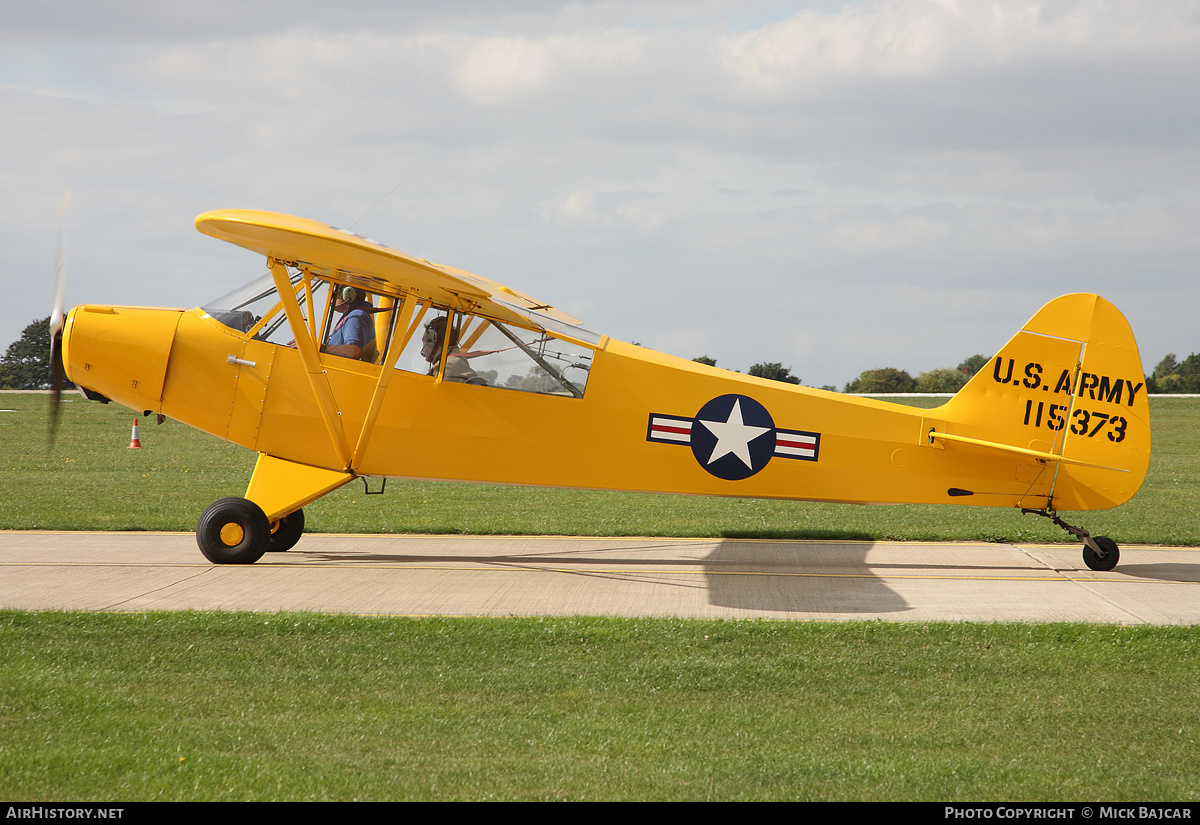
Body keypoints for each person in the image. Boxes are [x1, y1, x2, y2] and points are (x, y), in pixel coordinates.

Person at [421, 316, 481, 383]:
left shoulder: (443, 369)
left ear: (432, 342)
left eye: (424, 341)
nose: (423, 347)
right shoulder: (458, 361)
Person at [323, 286, 376, 361]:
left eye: (334, 294)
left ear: (348, 294)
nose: (331, 300)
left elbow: (354, 351)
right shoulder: (354, 315)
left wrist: (323, 349)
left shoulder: (355, 317)